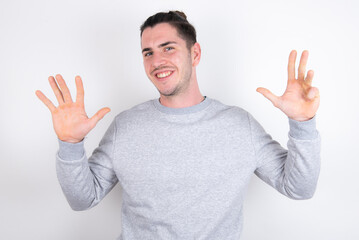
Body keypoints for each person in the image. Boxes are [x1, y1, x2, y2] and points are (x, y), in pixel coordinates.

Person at [35, 10, 321, 240]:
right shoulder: (126, 125)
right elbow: (83, 199)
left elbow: (299, 188)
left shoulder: (238, 125)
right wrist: (70, 145)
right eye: (148, 52)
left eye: (168, 48)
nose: (157, 61)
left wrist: (303, 124)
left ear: (195, 54)